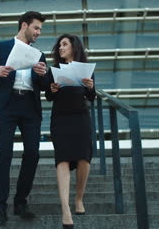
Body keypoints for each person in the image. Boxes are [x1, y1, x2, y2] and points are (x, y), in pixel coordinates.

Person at [0, 11, 49, 227]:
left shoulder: (39, 55)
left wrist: (43, 74)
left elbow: (46, 88)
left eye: (40, 29)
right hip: (6, 106)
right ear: (24, 25)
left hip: (29, 106)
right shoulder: (1, 47)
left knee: (32, 153)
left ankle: (20, 201)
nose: (38, 32)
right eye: (36, 28)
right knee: (3, 154)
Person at [45, 34, 95, 229]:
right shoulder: (54, 70)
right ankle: (65, 209)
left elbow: (91, 97)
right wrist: (53, 89)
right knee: (63, 159)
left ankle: (79, 198)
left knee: (84, 158)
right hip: (60, 119)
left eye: (64, 44)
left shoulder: (86, 69)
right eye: (59, 45)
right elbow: (49, 96)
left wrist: (90, 86)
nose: (60, 47)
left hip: (80, 117)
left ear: (75, 47)